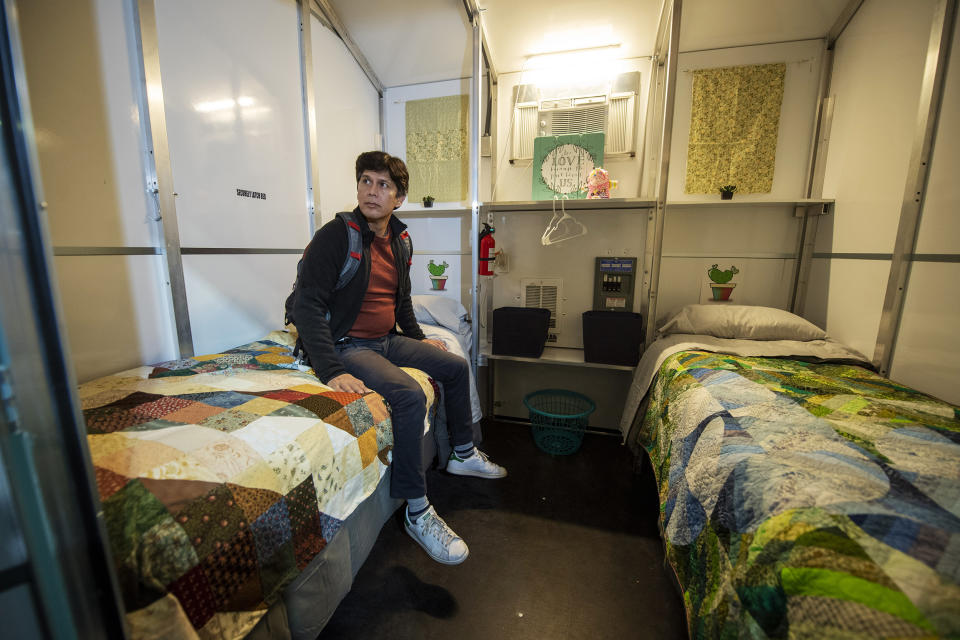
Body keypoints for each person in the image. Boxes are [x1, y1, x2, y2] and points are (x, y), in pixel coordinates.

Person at [290, 150, 506, 565]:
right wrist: (331, 369)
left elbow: (401, 299)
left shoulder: (401, 239)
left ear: (399, 198)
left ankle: (462, 453)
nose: (372, 191)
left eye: (384, 185)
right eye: (366, 181)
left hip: (385, 339)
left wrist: (420, 339)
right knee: (408, 394)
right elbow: (307, 306)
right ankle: (417, 510)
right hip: (347, 344)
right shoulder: (337, 236)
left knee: (455, 366)